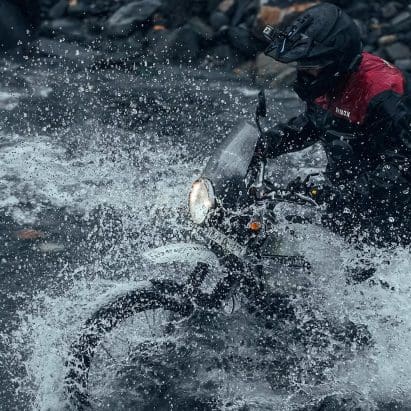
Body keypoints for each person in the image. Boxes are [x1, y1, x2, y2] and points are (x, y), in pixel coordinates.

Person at [256, 2, 411, 246]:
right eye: (301, 66)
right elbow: (313, 124)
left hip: (391, 212)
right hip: (345, 189)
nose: (305, 74)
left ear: (336, 64)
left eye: (311, 67)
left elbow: (403, 167)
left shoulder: (383, 93)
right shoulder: (328, 82)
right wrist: (265, 143)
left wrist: (348, 193)